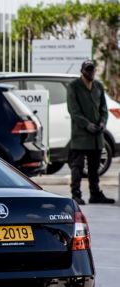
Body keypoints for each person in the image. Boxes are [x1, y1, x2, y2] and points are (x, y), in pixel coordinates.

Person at [66, 59, 115, 204]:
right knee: (78, 167)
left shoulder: (98, 86)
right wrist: (87, 125)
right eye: (88, 69)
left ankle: (95, 194)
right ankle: (76, 194)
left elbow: (104, 109)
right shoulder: (74, 86)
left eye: (92, 69)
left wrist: (102, 123)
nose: (90, 72)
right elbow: (73, 110)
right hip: (81, 135)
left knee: (94, 168)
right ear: (82, 71)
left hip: (97, 136)